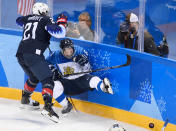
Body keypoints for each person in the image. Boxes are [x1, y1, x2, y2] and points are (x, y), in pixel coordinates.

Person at [16, 2, 67, 122]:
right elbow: (60, 33)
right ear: (41, 12)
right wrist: (62, 23)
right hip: (34, 54)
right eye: (45, 12)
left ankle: (25, 98)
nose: (46, 14)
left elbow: (19, 21)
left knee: (34, 77)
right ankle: (48, 107)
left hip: (21, 54)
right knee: (48, 79)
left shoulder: (27, 18)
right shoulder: (45, 19)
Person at [46, 38, 113, 114]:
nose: (69, 52)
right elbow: (46, 63)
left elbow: (88, 70)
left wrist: (85, 63)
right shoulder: (56, 55)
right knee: (54, 86)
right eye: (66, 50)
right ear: (62, 50)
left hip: (81, 80)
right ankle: (66, 105)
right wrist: (53, 70)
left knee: (93, 79)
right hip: (67, 83)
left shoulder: (80, 51)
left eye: (70, 49)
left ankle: (103, 86)